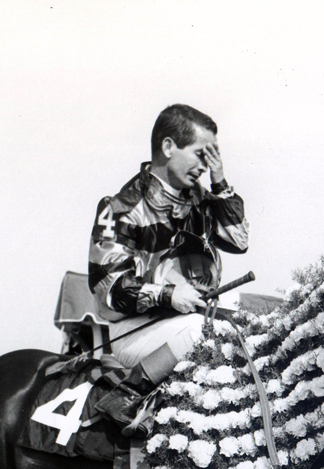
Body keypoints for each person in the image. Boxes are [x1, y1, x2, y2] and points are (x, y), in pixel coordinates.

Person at [88, 104, 249, 432]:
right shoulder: (120, 207)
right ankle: (125, 395)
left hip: (187, 321)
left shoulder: (202, 200)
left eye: (212, 159)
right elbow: (108, 287)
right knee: (202, 333)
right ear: (167, 147)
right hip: (133, 329)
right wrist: (168, 295)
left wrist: (220, 183)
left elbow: (239, 240)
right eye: (201, 155)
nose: (205, 167)